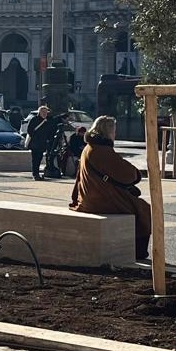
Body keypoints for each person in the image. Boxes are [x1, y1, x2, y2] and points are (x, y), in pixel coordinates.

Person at [70, 115, 151, 262]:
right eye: (114, 130)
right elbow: (128, 174)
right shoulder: (102, 150)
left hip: (90, 197)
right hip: (102, 199)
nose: (115, 134)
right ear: (108, 132)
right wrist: (135, 173)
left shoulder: (89, 147)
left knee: (138, 205)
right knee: (143, 208)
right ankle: (138, 251)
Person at [20, 104, 62, 181]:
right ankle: (35, 174)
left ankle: (37, 174)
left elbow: (50, 132)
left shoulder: (47, 121)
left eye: (46, 112)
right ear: (39, 112)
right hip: (35, 143)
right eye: (43, 112)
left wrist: (49, 139)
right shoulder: (34, 119)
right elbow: (30, 131)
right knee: (35, 159)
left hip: (42, 143)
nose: (45, 114)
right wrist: (37, 137)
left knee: (39, 159)